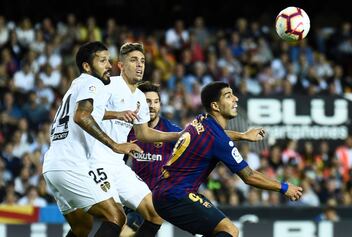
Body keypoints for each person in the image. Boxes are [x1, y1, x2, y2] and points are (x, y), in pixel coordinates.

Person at [152, 81, 303, 237]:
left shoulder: (201, 119)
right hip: (176, 196)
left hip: (165, 192)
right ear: (215, 106)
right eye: (228, 96)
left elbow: (217, 136)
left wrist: (243, 136)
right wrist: (284, 188)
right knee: (229, 230)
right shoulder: (217, 138)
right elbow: (249, 176)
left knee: (217, 232)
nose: (236, 99)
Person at [123, 81, 268, 235]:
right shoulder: (128, 131)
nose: (152, 106)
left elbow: (206, 136)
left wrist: (242, 136)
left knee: (146, 222)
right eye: (147, 101)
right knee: (130, 222)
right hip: (135, 193)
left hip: (159, 195)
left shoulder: (171, 130)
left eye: (156, 102)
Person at [42, 41, 143, 237]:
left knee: (82, 229)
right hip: (71, 164)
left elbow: (88, 112)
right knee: (116, 216)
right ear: (87, 66)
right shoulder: (93, 82)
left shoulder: (76, 86)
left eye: (109, 60)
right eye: (102, 61)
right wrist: (115, 145)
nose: (109, 66)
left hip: (53, 166)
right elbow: (82, 116)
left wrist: (116, 114)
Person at [88, 42, 181, 237]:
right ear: (120, 65)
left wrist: (179, 135)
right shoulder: (108, 86)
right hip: (95, 161)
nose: (140, 65)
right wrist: (117, 114)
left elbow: (144, 134)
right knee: (114, 217)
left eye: (142, 61)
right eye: (133, 60)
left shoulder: (139, 98)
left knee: (155, 213)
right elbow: (86, 114)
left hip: (117, 165)